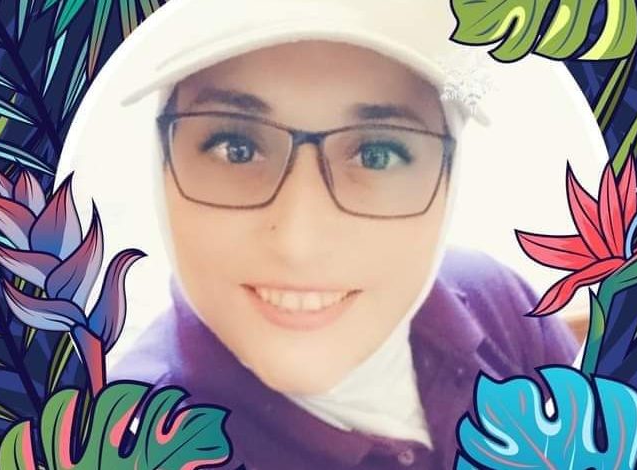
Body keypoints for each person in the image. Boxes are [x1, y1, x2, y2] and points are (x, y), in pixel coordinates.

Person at [109, 0, 580, 468]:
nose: (298, 244)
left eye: (376, 154)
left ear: (449, 179)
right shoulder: (136, 447)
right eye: (237, 148)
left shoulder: (500, 305)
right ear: (161, 164)